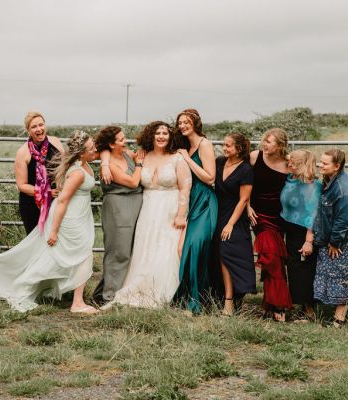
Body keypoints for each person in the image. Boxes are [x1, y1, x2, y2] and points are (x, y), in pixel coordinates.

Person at [0, 131, 98, 314]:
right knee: (82, 254)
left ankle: (69, 297)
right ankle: (76, 303)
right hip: (69, 218)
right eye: (92, 147)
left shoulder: (84, 162)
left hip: (80, 215)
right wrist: (53, 231)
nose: (96, 150)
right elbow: (62, 201)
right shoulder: (77, 173)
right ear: (81, 153)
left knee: (70, 255)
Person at [102, 121, 191, 309]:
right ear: (151, 136)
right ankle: (138, 284)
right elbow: (110, 151)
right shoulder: (142, 156)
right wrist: (103, 162)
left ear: (171, 136)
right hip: (148, 208)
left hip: (170, 207)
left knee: (167, 247)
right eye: (157, 133)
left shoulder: (177, 158)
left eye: (165, 133)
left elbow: (185, 187)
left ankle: (165, 289)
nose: (161, 136)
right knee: (145, 245)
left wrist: (181, 214)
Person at [91, 126, 144, 305]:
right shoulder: (110, 165)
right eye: (121, 139)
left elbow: (141, 152)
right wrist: (139, 165)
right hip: (117, 208)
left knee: (129, 249)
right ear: (111, 145)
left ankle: (106, 291)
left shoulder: (126, 153)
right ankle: (109, 297)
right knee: (118, 250)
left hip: (135, 206)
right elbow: (133, 181)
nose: (125, 141)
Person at [173, 109, 218, 314]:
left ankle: (196, 301)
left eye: (187, 122)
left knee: (195, 246)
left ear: (196, 123)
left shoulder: (204, 144)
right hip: (191, 200)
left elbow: (210, 178)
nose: (183, 125)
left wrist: (188, 159)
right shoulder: (185, 145)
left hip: (205, 201)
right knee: (184, 248)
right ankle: (188, 297)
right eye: (180, 122)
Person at [313, 149, 348, 327]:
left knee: (340, 274)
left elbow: (343, 221)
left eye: (325, 163)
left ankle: (338, 320)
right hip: (337, 235)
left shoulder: (343, 189)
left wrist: (335, 243)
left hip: (345, 239)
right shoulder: (330, 179)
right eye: (320, 161)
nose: (320, 165)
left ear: (337, 166)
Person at [248, 128, 292, 322]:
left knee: (273, 259)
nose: (264, 144)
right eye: (264, 140)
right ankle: (279, 304)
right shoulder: (254, 157)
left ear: (280, 146)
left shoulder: (289, 163)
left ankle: (270, 302)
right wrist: (247, 206)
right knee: (271, 257)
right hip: (259, 216)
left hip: (280, 217)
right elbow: (243, 182)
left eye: (269, 142)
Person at [211, 133, 254, 316]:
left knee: (227, 252)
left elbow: (243, 199)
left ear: (240, 149)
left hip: (234, 215)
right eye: (224, 144)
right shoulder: (220, 161)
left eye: (228, 145)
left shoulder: (245, 169)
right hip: (217, 211)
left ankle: (230, 300)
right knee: (218, 253)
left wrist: (229, 224)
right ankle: (223, 295)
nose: (224, 147)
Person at [280, 150, 322, 321]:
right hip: (289, 229)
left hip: (303, 232)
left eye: (291, 163)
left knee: (304, 269)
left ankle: (309, 309)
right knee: (294, 268)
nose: (288, 164)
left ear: (300, 165)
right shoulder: (291, 179)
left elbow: (313, 216)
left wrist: (308, 241)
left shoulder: (313, 186)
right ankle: (300, 305)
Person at [15, 111, 65, 234]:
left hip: (56, 200)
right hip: (32, 205)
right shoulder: (23, 152)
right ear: (28, 130)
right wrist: (46, 193)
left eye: (41, 125)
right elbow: (22, 185)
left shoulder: (56, 142)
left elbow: (65, 167)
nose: (39, 129)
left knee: (55, 240)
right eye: (34, 126)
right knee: (35, 243)